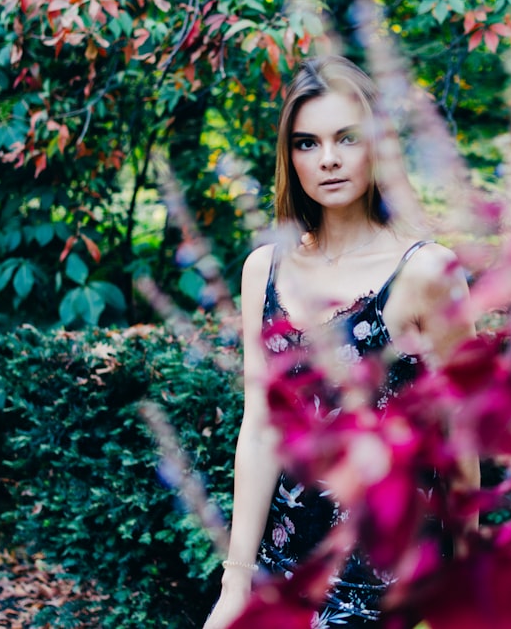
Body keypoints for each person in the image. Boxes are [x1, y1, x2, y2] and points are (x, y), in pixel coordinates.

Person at [203, 55, 476, 629]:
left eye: (345, 138)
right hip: (286, 572)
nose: (326, 159)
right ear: (289, 157)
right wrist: (235, 582)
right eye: (307, 143)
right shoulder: (264, 270)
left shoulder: (427, 271)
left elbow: (459, 434)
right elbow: (260, 428)